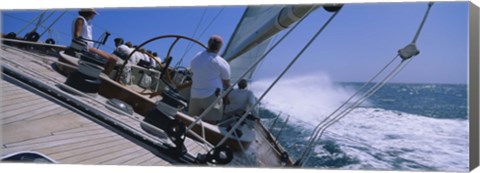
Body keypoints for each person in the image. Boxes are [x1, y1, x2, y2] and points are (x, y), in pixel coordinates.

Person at [181, 35, 231, 124]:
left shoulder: (196, 57)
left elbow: (193, 71)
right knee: (209, 125)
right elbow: (226, 82)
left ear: (208, 44)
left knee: (191, 122)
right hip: (211, 97)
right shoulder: (222, 63)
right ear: (220, 47)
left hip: (195, 94)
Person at [73, 8, 117, 74]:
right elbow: (77, 35)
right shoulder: (80, 19)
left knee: (114, 59)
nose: (94, 15)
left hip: (89, 48)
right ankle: (104, 76)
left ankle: (102, 74)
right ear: (89, 13)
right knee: (113, 60)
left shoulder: (86, 22)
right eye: (94, 13)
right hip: (86, 49)